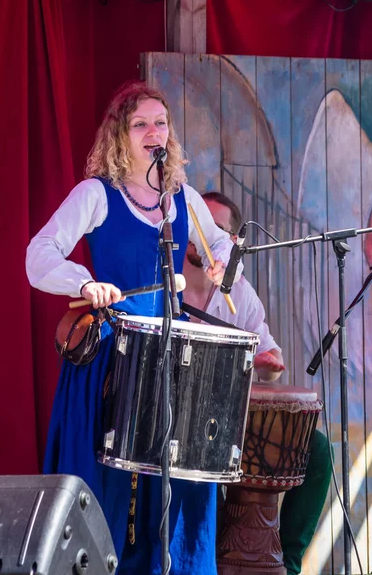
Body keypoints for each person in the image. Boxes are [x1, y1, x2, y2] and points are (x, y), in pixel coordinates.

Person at [26, 82, 243, 575]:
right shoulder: (96, 195)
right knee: (111, 489)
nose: (153, 132)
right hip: (115, 359)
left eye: (160, 123)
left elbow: (225, 248)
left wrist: (221, 266)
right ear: (119, 136)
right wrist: (85, 282)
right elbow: (37, 257)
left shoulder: (183, 198)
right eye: (140, 123)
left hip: (173, 360)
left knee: (178, 482)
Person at [183, 191, 332, 575]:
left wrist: (270, 364)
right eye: (198, 226)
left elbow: (270, 362)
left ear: (230, 242)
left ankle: (290, 561)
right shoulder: (167, 283)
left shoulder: (241, 295)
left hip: (235, 419)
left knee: (316, 452)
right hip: (182, 421)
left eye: (216, 230)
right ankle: (206, 559)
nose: (203, 237)